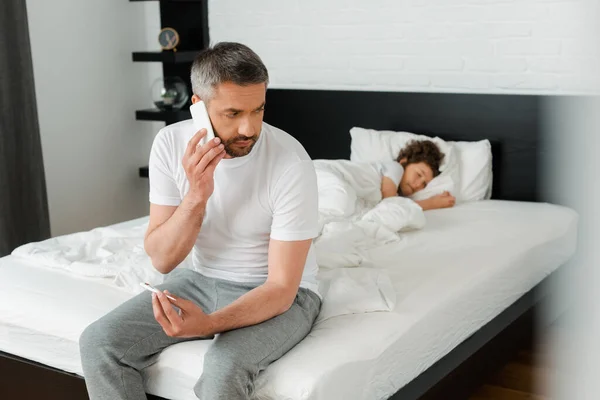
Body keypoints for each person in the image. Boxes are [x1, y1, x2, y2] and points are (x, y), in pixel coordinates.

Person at [78, 42, 322, 400]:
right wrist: (195, 195)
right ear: (198, 108)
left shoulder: (291, 162)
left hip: (282, 293)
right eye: (232, 113)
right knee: (99, 344)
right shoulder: (168, 144)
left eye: (259, 110)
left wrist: (208, 325)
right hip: (199, 279)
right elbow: (162, 259)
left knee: (224, 368)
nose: (248, 128)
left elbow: (282, 288)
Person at [374, 139, 456, 210]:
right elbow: (389, 208)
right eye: (419, 174)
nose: (418, 185)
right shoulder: (395, 167)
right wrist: (433, 203)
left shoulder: (398, 196)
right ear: (404, 162)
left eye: (424, 184)